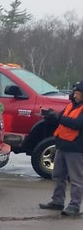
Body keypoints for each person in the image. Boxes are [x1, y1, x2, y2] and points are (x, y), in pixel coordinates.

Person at [39, 81, 83, 216]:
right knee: (58, 175)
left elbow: (77, 124)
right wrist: (50, 115)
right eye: (74, 92)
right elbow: (61, 119)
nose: (74, 95)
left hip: (76, 149)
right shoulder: (71, 105)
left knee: (76, 179)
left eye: (77, 93)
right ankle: (57, 201)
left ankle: (74, 206)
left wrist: (57, 117)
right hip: (62, 145)